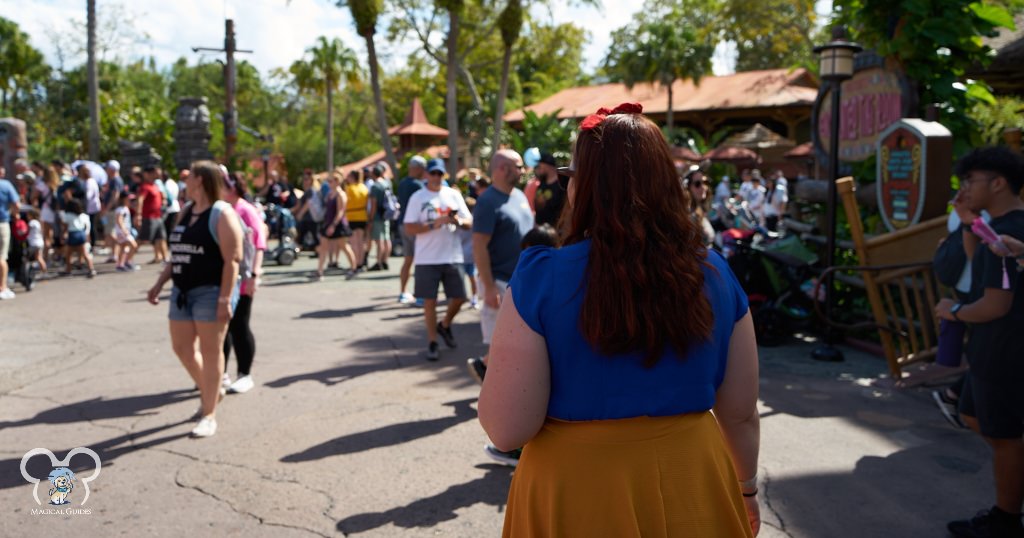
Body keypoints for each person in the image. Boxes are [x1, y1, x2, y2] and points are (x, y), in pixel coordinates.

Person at [477, 104, 760, 537]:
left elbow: (507, 428)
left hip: (574, 491)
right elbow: (740, 415)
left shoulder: (541, 277)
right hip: (693, 480)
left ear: (584, 188)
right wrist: (745, 490)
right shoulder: (716, 274)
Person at [934, 146, 1024, 538]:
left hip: (1005, 345)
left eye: (970, 180)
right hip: (991, 345)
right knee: (972, 414)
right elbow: (978, 266)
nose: (964, 188)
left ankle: (1006, 520)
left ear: (999, 182)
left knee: (1005, 436)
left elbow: (995, 304)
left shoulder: (1013, 231)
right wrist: (971, 221)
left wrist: (952, 312)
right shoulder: (999, 225)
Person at [147, 160, 243, 438]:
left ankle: (208, 412)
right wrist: (159, 283)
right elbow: (178, 253)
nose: (185, 181)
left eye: (189, 176)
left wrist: (225, 299)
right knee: (182, 348)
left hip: (210, 292)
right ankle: (212, 393)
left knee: (212, 352)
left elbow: (232, 260)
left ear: (200, 180)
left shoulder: (221, 213)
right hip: (182, 292)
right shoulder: (186, 212)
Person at [465, 149, 534, 388]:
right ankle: (496, 384)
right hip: (500, 280)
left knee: (517, 339)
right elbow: (479, 245)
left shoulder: (520, 196)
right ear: (503, 169)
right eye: (519, 166)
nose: (523, 171)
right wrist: (489, 285)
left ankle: (487, 369)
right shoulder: (487, 201)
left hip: (523, 279)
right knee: (504, 341)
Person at [403, 159, 473, 360]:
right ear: (426, 174)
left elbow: (469, 221)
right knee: (429, 301)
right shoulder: (418, 197)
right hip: (427, 258)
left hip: (452, 255)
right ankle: (432, 341)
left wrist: (457, 220)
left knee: (460, 297)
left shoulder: (453, 195)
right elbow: (409, 228)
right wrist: (434, 224)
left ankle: (445, 325)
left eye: (439, 174)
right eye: (433, 173)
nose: (436, 177)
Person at [221, 172, 266, 394]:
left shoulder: (246, 210)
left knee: (239, 325)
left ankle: (244, 374)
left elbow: (259, 242)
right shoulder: (223, 210)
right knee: (223, 326)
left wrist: (254, 274)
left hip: (244, 275)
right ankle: (221, 373)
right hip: (224, 277)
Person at [397, 156, 427, 304]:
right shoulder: (418, 186)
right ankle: (420, 295)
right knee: (420, 261)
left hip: (403, 224)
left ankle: (403, 292)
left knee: (408, 259)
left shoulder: (402, 183)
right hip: (414, 226)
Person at [314, 172, 355, 281]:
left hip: (338, 224)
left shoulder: (341, 195)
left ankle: (353, 268)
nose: (329, 183)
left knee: (344, 246)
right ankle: (319, 271)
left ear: (337, 182)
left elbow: (341, 211)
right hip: (328, 222)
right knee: (323, 247)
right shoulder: (329, 194)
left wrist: (333, 225)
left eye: (331, 181)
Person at [135, 164, 168, 264]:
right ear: (147, 174)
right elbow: (140, 200)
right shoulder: (144, 187)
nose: (155, 174)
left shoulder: (155, 185)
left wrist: (163, 201)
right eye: (153, 173)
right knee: (142, 239)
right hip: (149, 217)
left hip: (158, 216)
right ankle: (126, 259)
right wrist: (138, 215)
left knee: (161, 238)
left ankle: (165, 258)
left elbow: (162, 197)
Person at [367, 163, 393, 271]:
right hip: (386, 214)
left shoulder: (375, 186)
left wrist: (370, 218)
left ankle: (378, 262)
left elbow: (373, 204)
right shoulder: (386, 183)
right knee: (387, 239)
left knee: (379, 240)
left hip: (378, 216)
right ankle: (385, 260)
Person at [61, 199, 96, 278]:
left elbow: (65, 227)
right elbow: (87, 228)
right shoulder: (84, 216)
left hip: (73, 234)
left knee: (68, 254)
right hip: (81, 234)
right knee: (85, 253)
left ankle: (68, 270)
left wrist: (63, 235)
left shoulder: (67, 215)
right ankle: (91, 269)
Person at [0, 173, 20, 300]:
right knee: (2, 256)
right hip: (2, 223)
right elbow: (16, 205)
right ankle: (3, 286)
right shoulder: (6, 185)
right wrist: (16, 214)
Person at [531, 152, 566, 227]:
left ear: (546, 165)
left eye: (540, 165)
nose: (538, 167)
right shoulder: (542, 183)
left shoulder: (561, 184)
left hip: (554, 231)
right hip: (539, 229)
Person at [292, 170, 323, 253]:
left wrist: (300, 214)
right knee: (303, 235)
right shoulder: (308, 191)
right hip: (308, 218)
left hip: (311, 217)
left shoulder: (311, 191)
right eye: (304, 179)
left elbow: (308, 204)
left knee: (313, 236)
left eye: (306, 179)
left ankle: (320, 251)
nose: (304, 181)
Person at [685, 167, 715, 246]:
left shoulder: (699, 208)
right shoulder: (688, 214)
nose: (703, 187)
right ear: (687, 187)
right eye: (697, 184)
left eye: (705, 182)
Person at [110, 192, 138, 271]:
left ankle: (120, 264)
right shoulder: (121, 209)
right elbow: (119, 220)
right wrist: (124, 230)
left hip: (124, 231)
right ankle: (127, 261)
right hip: (123, 232)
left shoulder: (125, 208)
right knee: (133, 245)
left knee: (123, 247)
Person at [25, 208, 47, 274]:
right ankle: (44, 271)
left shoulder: (32, 222)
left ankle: (26, 272)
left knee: (26, 257)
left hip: (34, 243)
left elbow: (26, 230)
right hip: (40, 242)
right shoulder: (38, 222)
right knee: (39, 257)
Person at [164, 169, 183, 239]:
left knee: (169, 227)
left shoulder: (167, 184)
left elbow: (168, 196)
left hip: (170, 208)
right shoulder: (174, 183)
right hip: (176, 206)